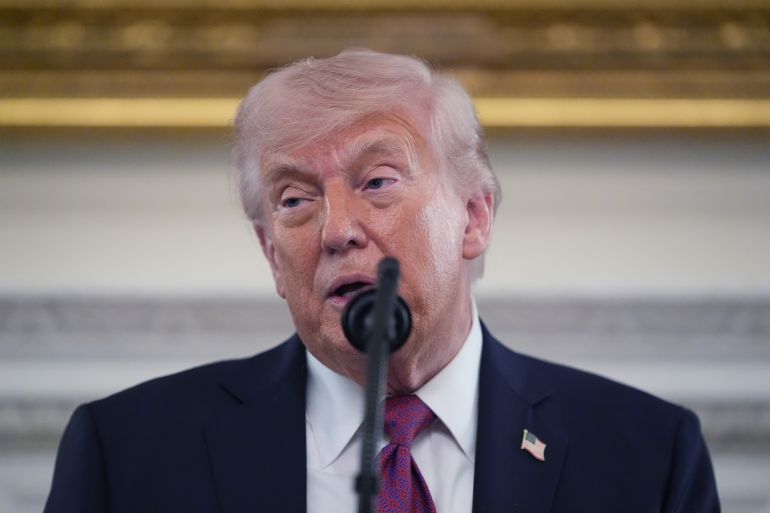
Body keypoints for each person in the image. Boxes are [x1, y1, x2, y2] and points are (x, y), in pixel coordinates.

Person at [44, 49, 720, 513]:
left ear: (474, 217)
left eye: (377, 182)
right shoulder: (129, 452)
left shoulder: (646, 456)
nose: (337, 229)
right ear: (271, 254)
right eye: (294, 200)